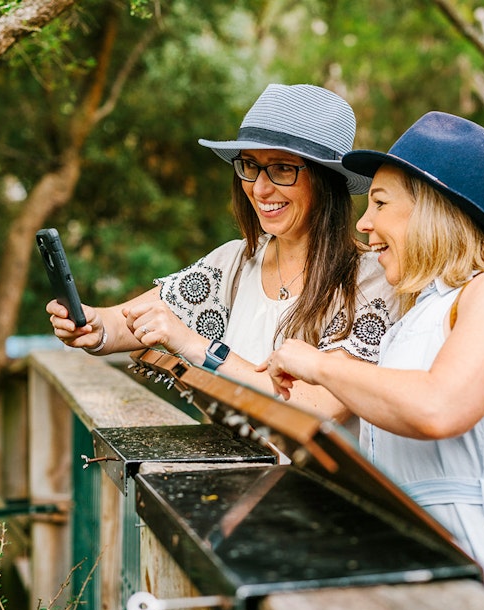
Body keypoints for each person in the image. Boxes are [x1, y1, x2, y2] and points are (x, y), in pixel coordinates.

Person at [261, 111, 484, 610]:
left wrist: (323, 365)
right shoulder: (414, 317)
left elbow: (438, 408)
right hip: (416, 579)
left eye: (380, 203)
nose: (363, 223)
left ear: (435, 209)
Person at [47, 84, 396, 422]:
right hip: (229, 477)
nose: (259, 188)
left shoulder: (372, 279)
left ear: (327, 181)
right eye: (249, 165)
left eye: (282, 169)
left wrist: (198, 348)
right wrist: (92, 327)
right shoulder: (235, 262)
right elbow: (133, 318)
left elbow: (318, 405)